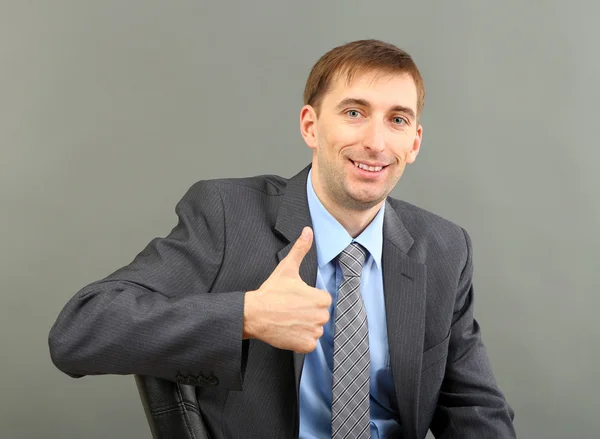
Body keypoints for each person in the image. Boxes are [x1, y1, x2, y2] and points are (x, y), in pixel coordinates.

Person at [48, 39, 516, 439]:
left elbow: (475, 409)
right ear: (311, 126)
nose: (376, 141)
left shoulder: (444, 248)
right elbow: (79, 333)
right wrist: (246, 315)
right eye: (354, 112)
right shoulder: (228, 216)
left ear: (414, 142)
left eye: (397, 120)